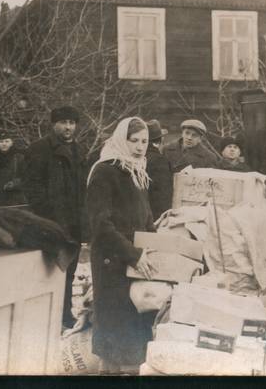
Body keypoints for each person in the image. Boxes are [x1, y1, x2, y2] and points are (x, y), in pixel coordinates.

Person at [86, 117, 157, 373]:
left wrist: (155, 246)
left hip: (135, 261)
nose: (140, 147)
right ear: (121, 140)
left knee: (133, 332)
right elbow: (100, 224)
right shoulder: (105, 171)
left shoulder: (138, 171)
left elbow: (146, 217)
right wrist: (132, 254)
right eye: (134, 140)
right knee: (114, 332)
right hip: (112, 262)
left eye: (144, 141)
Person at [24, 105, 88, 328]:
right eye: (63, 123)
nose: (68, 127)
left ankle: (64, 315)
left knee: (69, 272)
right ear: (53, 125)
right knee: (47, 270)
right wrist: (46, 216)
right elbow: (33, 188)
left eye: (72, 123)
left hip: (74, 223)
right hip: (50, 222)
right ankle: (41, 317)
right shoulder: (39, 149)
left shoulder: (80, 151)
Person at [144, 119, 173, 220]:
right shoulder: (159, 161)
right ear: (160, 140)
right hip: (153, 217)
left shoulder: (136, 156)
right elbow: (163, 195)